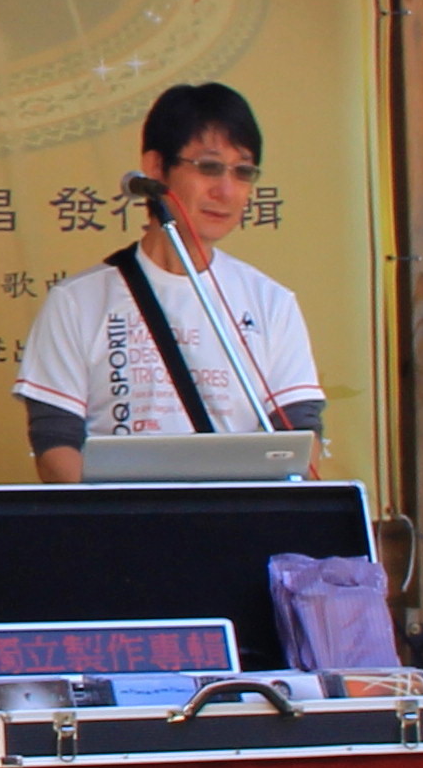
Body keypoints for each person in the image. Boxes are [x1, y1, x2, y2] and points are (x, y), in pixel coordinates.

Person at [17, 81, 322, 474]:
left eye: (243, 172)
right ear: (156, 168)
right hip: (121, 526)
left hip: (237, 527)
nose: (226, 190)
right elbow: (55, 440)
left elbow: (300, 433)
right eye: (209, 167)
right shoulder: (78, 301)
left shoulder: (270, 302)